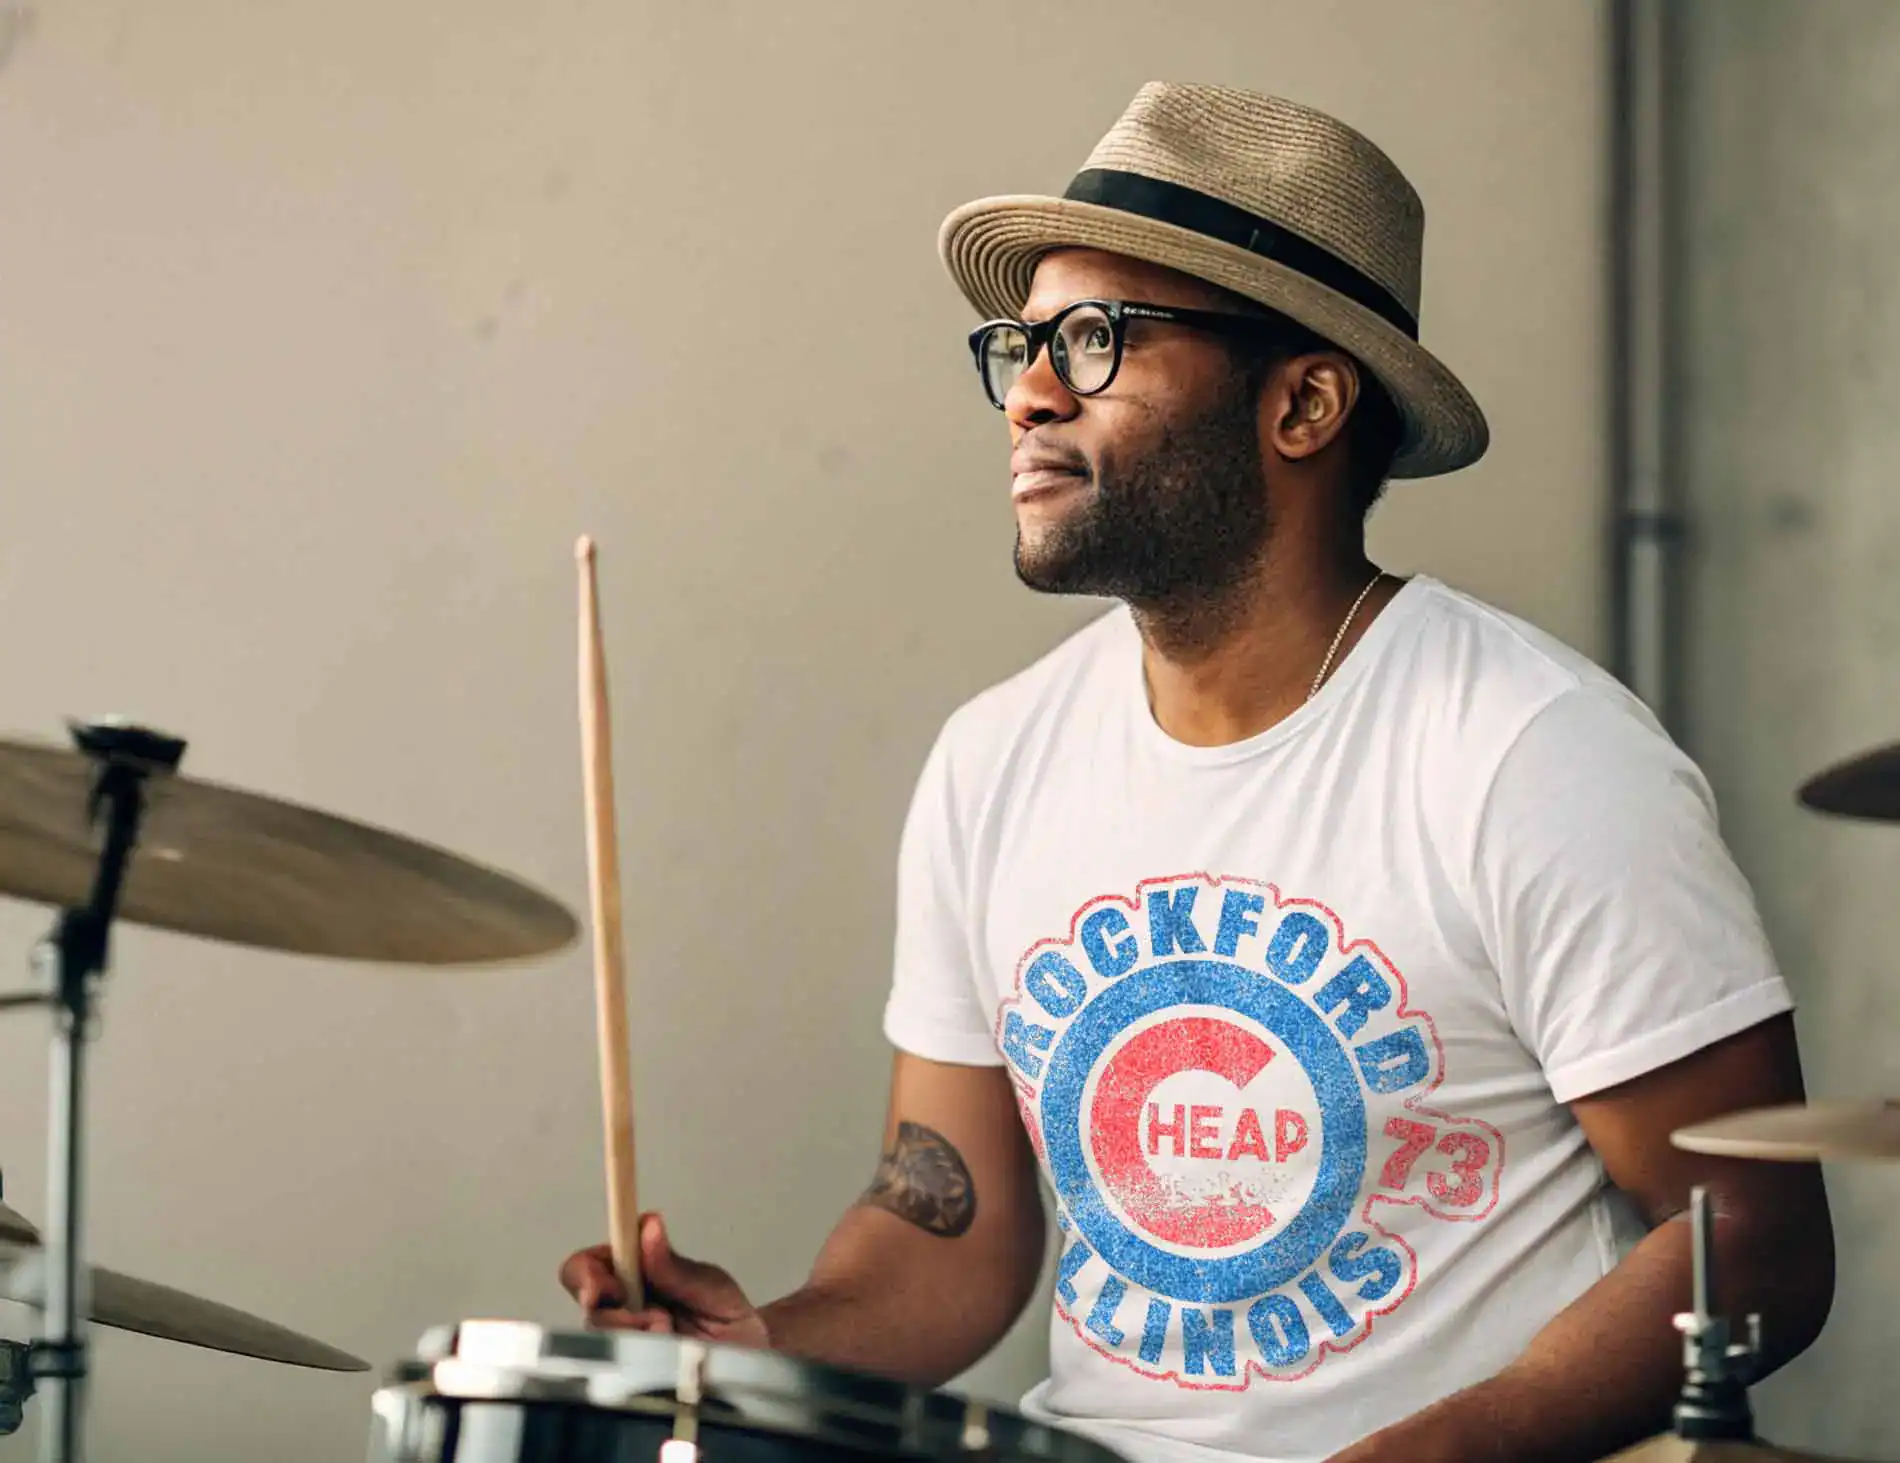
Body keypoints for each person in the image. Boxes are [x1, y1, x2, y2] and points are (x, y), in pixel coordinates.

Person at [560, 82, 1834, 1463]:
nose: (1030, 392)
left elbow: (1752, 1245)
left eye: (1096, 338)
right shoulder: (997, 760)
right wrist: (763, 1348)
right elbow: (958, 1228)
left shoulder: (1533, 757)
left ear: (1303, 401)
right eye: (1020, 343)